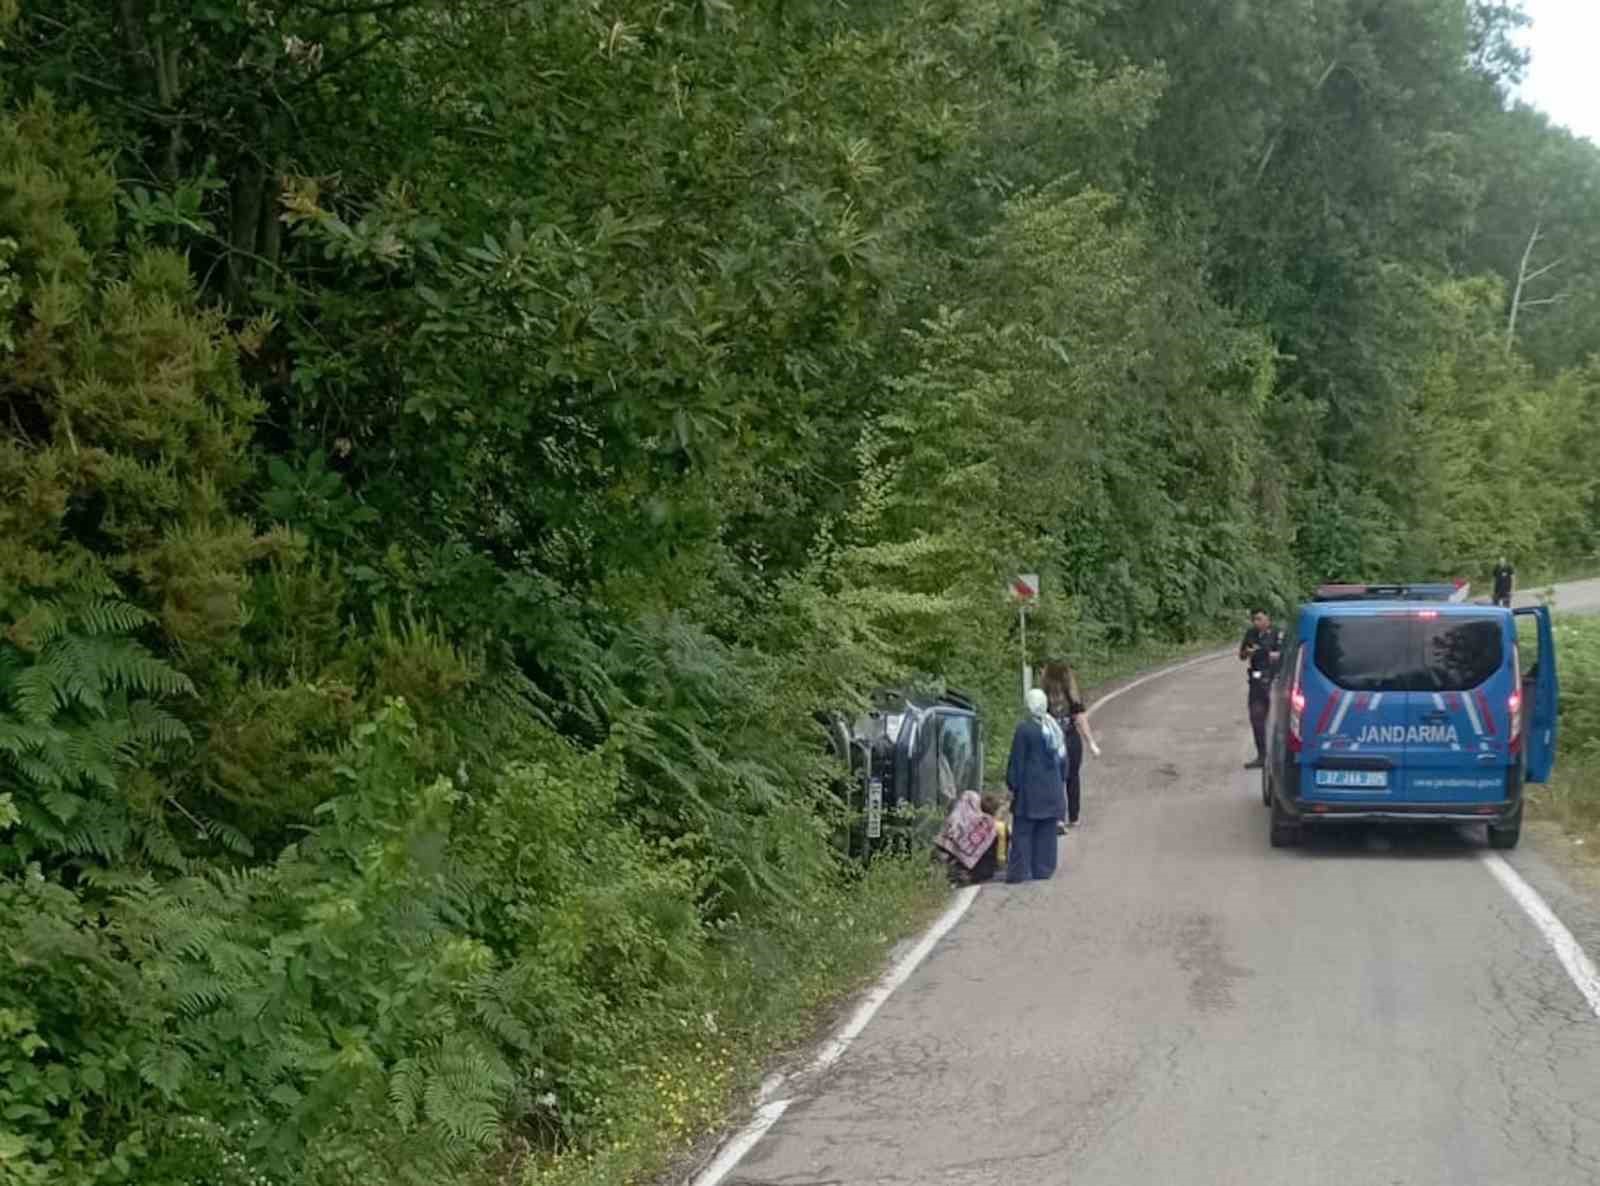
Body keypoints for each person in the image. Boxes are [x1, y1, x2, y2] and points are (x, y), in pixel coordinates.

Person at [1005, 688, 1067, 882]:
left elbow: (1017, 761)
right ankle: (1043, 869)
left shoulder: (1025, 729)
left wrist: (1013, 784)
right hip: (1052, 788)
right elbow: (1064, 760)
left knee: (1023, 831)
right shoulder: (1054, 727)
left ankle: (1019, 871)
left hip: (1031, 791)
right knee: (1047, 832)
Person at [1040, 659, 1101, 833]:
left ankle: (1058, 818)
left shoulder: (1043, 695)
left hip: (1051, 741)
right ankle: (1073, 817)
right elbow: (1080, 719)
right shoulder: (1071, 695)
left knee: (1054, 778)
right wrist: (1091, 743)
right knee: (1072, 777)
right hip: (1070, 738)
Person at [1239, 608, 1282, 770]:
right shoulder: (1250, 633)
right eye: (1254, 619)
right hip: (1256, 680)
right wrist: (1247, 652)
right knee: (1256, 718)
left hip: (1274, 680)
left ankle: (1277, 756)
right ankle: (1262, 756)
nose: (1257, 622)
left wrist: (1276, 655)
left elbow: (1286, 653)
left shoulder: (1277, 633)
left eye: (1260, 619)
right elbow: (1242, 655)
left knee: (1278, 719)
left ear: (1268, 619)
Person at [933, 790, 999, 884]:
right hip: (963, 859)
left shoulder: (966, 803)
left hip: (944, 843)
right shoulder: (989, 826)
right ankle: (960, 874)